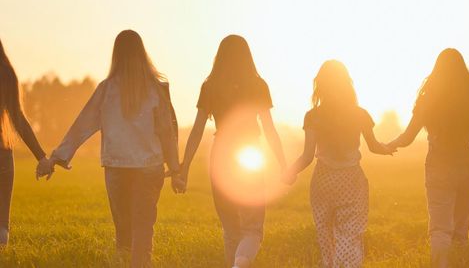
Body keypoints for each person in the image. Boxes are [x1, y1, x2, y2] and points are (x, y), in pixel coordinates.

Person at [38, 30, 184, 267]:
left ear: (116, 55)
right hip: (149, 168)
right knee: (143, 230)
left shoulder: (107, 89)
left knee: (124, 233)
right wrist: (176, 171)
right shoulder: (157, 89)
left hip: (117, 168)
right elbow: (167, 133)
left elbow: (81, 125)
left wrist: (57, 157)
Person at [385, 48, 469, 268]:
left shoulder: (427, 101)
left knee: (440, 230)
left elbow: (407, 137)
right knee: (460, 231)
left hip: (439, 167)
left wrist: (386, 146)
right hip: (468, 167)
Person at [180, 35, 287, 268]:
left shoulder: (210, 86)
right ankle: (240, 265)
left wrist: (184, 167)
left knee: (231, 229)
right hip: (250, 154)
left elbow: (197, 130)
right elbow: (269, 129)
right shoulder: (258, 85)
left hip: (221, 156)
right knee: (252, 229)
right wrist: (283, 164)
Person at [282, 60, 394, 268]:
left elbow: (307, 156)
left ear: (320, 85)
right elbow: (373, 146)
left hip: (323, 181)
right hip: (351, 181)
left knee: (326, 238)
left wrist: (289, 172)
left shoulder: (313, 116)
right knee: (349, 236)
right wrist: (387, 148)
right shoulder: (359, 114)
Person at [0, 39, 50, 245]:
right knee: (1, 222)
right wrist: (41, 156)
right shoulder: (6, 74)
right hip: (2, 155)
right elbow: (18, 120)